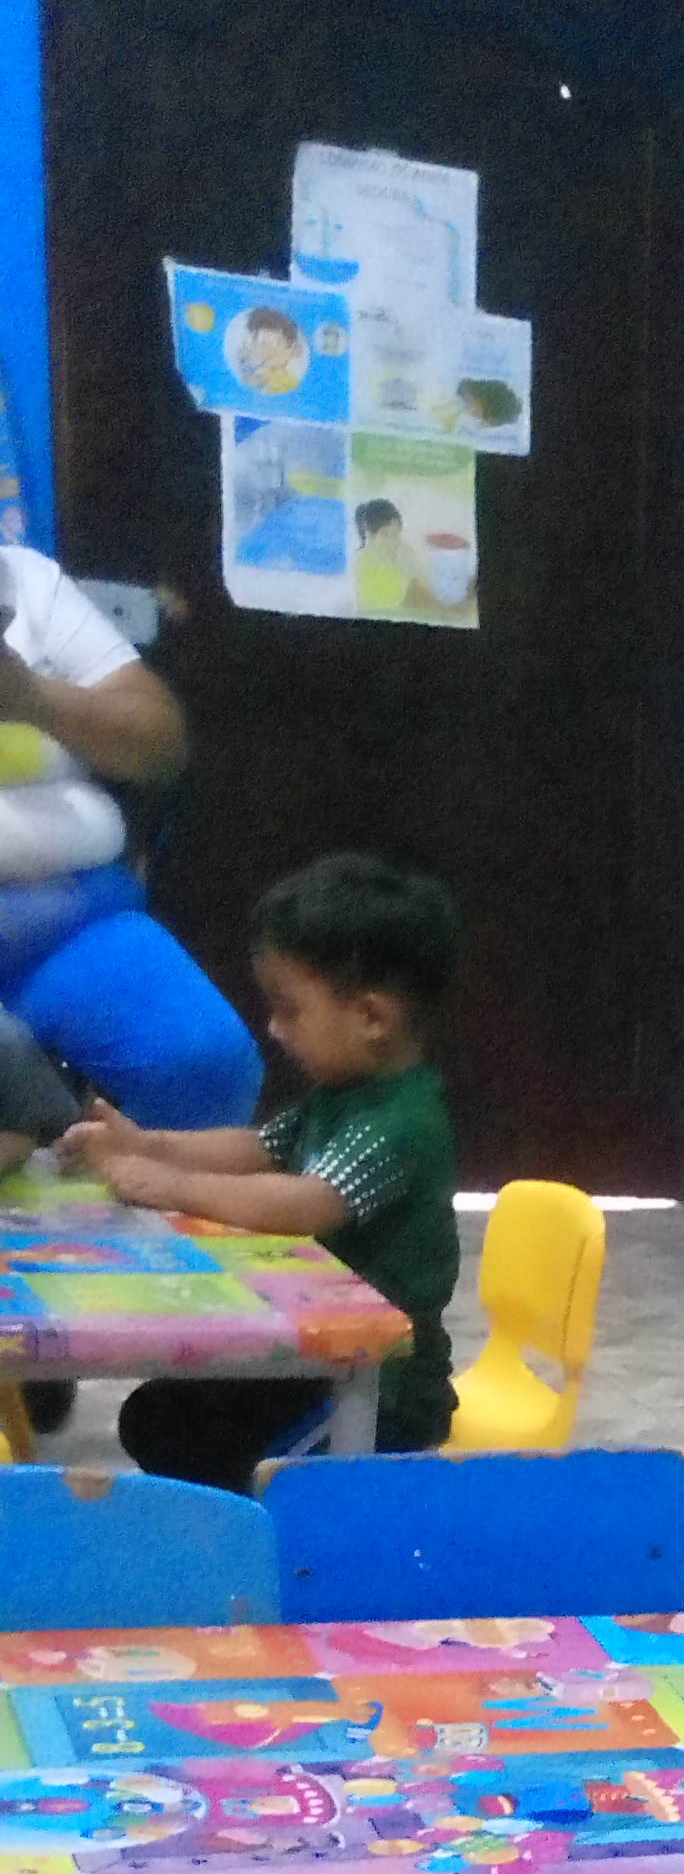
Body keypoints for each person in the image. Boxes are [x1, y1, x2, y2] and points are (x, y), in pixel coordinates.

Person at [68, 853, 462, 1482]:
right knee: (156, 1416)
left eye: (289, 1008)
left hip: (378, 1390)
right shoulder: (340, 1098)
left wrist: (171, 1186)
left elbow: (306, 1203)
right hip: (311, 1355)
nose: (274, 1029)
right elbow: (259, 1148)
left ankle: (259, 1539)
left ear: (372, 1018)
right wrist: (145, 1143)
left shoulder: (401, 1122)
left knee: (211, 1453)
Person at [0, 543, 260, 1131]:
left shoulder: (25, 578)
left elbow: (159, 743)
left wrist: (32, 698)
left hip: (66, 916)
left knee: (207, 1063)